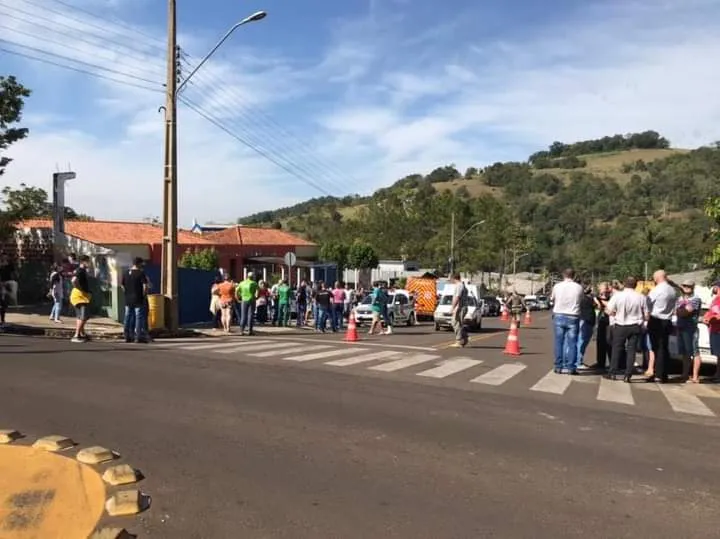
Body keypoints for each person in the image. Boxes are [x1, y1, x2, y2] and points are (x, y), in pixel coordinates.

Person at [605, 276, 650, 382]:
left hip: (621, 324)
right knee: (631, 350)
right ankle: (628, 374)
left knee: (616, 349)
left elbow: (608, 310)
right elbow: (647, 314)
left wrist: (614, 314)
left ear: (624, 284)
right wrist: (643, 321)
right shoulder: (641, 297)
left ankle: (613, 372)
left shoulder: (618, 296)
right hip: (635, 325)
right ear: (635, 285)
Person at [550, 268, 583, 374]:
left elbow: (552, 298)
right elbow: (580, 299)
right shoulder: (579, 287)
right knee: (572, 343)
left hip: (559, 314)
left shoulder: (557, 286)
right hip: (573, 315)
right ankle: (571, 367)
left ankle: (558, 366)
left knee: (559, 342)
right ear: (574, 275)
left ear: (563, 275)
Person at [646, 270, 677, 383]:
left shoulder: (657, 289)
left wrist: (648, 312)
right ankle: (664, 373)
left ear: (657, 278)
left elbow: (648, 302)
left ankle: (658, 374)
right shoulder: (672, 290)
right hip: (667, 320)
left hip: (656, 320)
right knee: (664, 347)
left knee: (656, 348)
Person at [675, 279, 702, 383]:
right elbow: (678, 311)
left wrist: (681, 310)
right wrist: (682, 310)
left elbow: (684, 312)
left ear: (693, 287)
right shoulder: (680, 298)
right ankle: (685, 374)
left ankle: (695, 377)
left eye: (689, 286)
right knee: (685, 353)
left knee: (695, 352)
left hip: (691, 329)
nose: (686, 287)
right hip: (681, 327)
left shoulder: (696, 299)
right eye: (685, 285)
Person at [121, 257, 151, 343]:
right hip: (138, 298)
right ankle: (138, 336)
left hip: (128, 299)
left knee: (127, 317)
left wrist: (127, 292)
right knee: (138, 317)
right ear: (139, 264)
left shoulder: (126, 273)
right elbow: (145, 286)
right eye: (141, 263)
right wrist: (144, 295)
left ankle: (127, 336)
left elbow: (122, 285)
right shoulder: (141, 273)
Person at [69, 255, 92, 343]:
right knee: (83, 316)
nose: (89, 263)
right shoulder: (80, 271)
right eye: (88, 261)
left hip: (81, 296)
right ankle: (76, 335)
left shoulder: (82, 270)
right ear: (83, 262)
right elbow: (73, 280)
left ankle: (82, 333)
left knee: (82, 316)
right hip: (80, 297)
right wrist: (80, 289)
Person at [450, 273, 469, 348]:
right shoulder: (462, 285)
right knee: (458, 323)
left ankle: (459, 341)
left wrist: (453, 307)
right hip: (461, 307)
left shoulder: (459, 285)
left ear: (453, 278)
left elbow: (457, 297)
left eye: (450, 279)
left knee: (455, 323)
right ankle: (464, 338)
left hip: (461, 307)